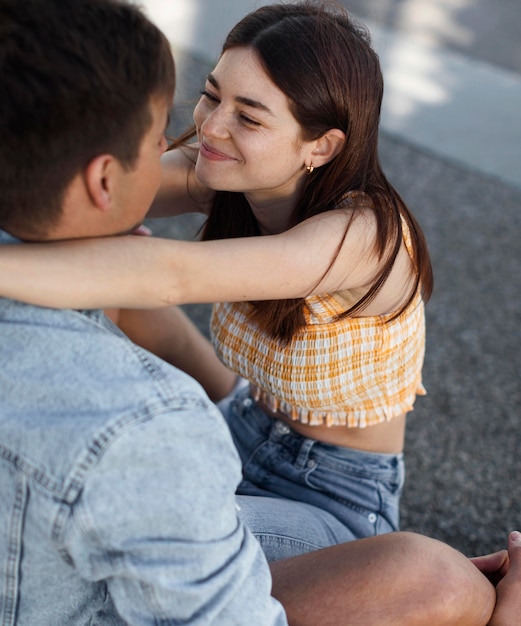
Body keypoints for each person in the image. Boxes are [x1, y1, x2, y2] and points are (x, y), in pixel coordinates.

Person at [0, 0, 520, 624]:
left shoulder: (366, 236)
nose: (212, 128)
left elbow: (170, 275)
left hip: (329, 494)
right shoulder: (225, 171)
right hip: (242, 422)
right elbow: (95, 198)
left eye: (248, 116)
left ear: (321, 146)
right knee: (111, 270)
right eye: (211, 95)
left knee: (155, 515)